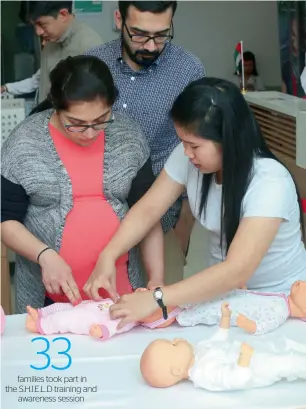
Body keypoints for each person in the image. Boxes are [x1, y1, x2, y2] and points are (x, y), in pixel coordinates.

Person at [82, 77, 306, 327]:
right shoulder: (189, 157)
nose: (186, 152)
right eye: (183, 142)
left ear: (227, 140)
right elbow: (148, 209)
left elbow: (237, 270)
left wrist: (159, 298)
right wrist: (108, 255)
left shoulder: (270, 181)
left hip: (283, 302)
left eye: (194, 145)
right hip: (222, 295)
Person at [1, 55, 164, 314]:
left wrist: (156, 279)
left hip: (122, 294)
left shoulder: (128, 137)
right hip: (49, 299)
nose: (90, 133)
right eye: (76, 124)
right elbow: (5, 220)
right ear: (56, 106)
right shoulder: (24, 143)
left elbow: (148, 212)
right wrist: (44, 255)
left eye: (101, 120)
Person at [86, 1, 206, 285]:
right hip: (99, 220)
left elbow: (197, 145)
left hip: (164, 220)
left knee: (160, 310)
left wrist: (185, 222)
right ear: (119, 20)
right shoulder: (92, 65)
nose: (151, 46)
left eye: (162, 34)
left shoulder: (188, 70)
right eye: (139, 34)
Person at [27, 1, 102, 102]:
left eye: (42, 24)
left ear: (63, 15)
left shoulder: (91, 45)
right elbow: (44, 93)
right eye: (35, 25)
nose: (38, 32)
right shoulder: (49, 46)